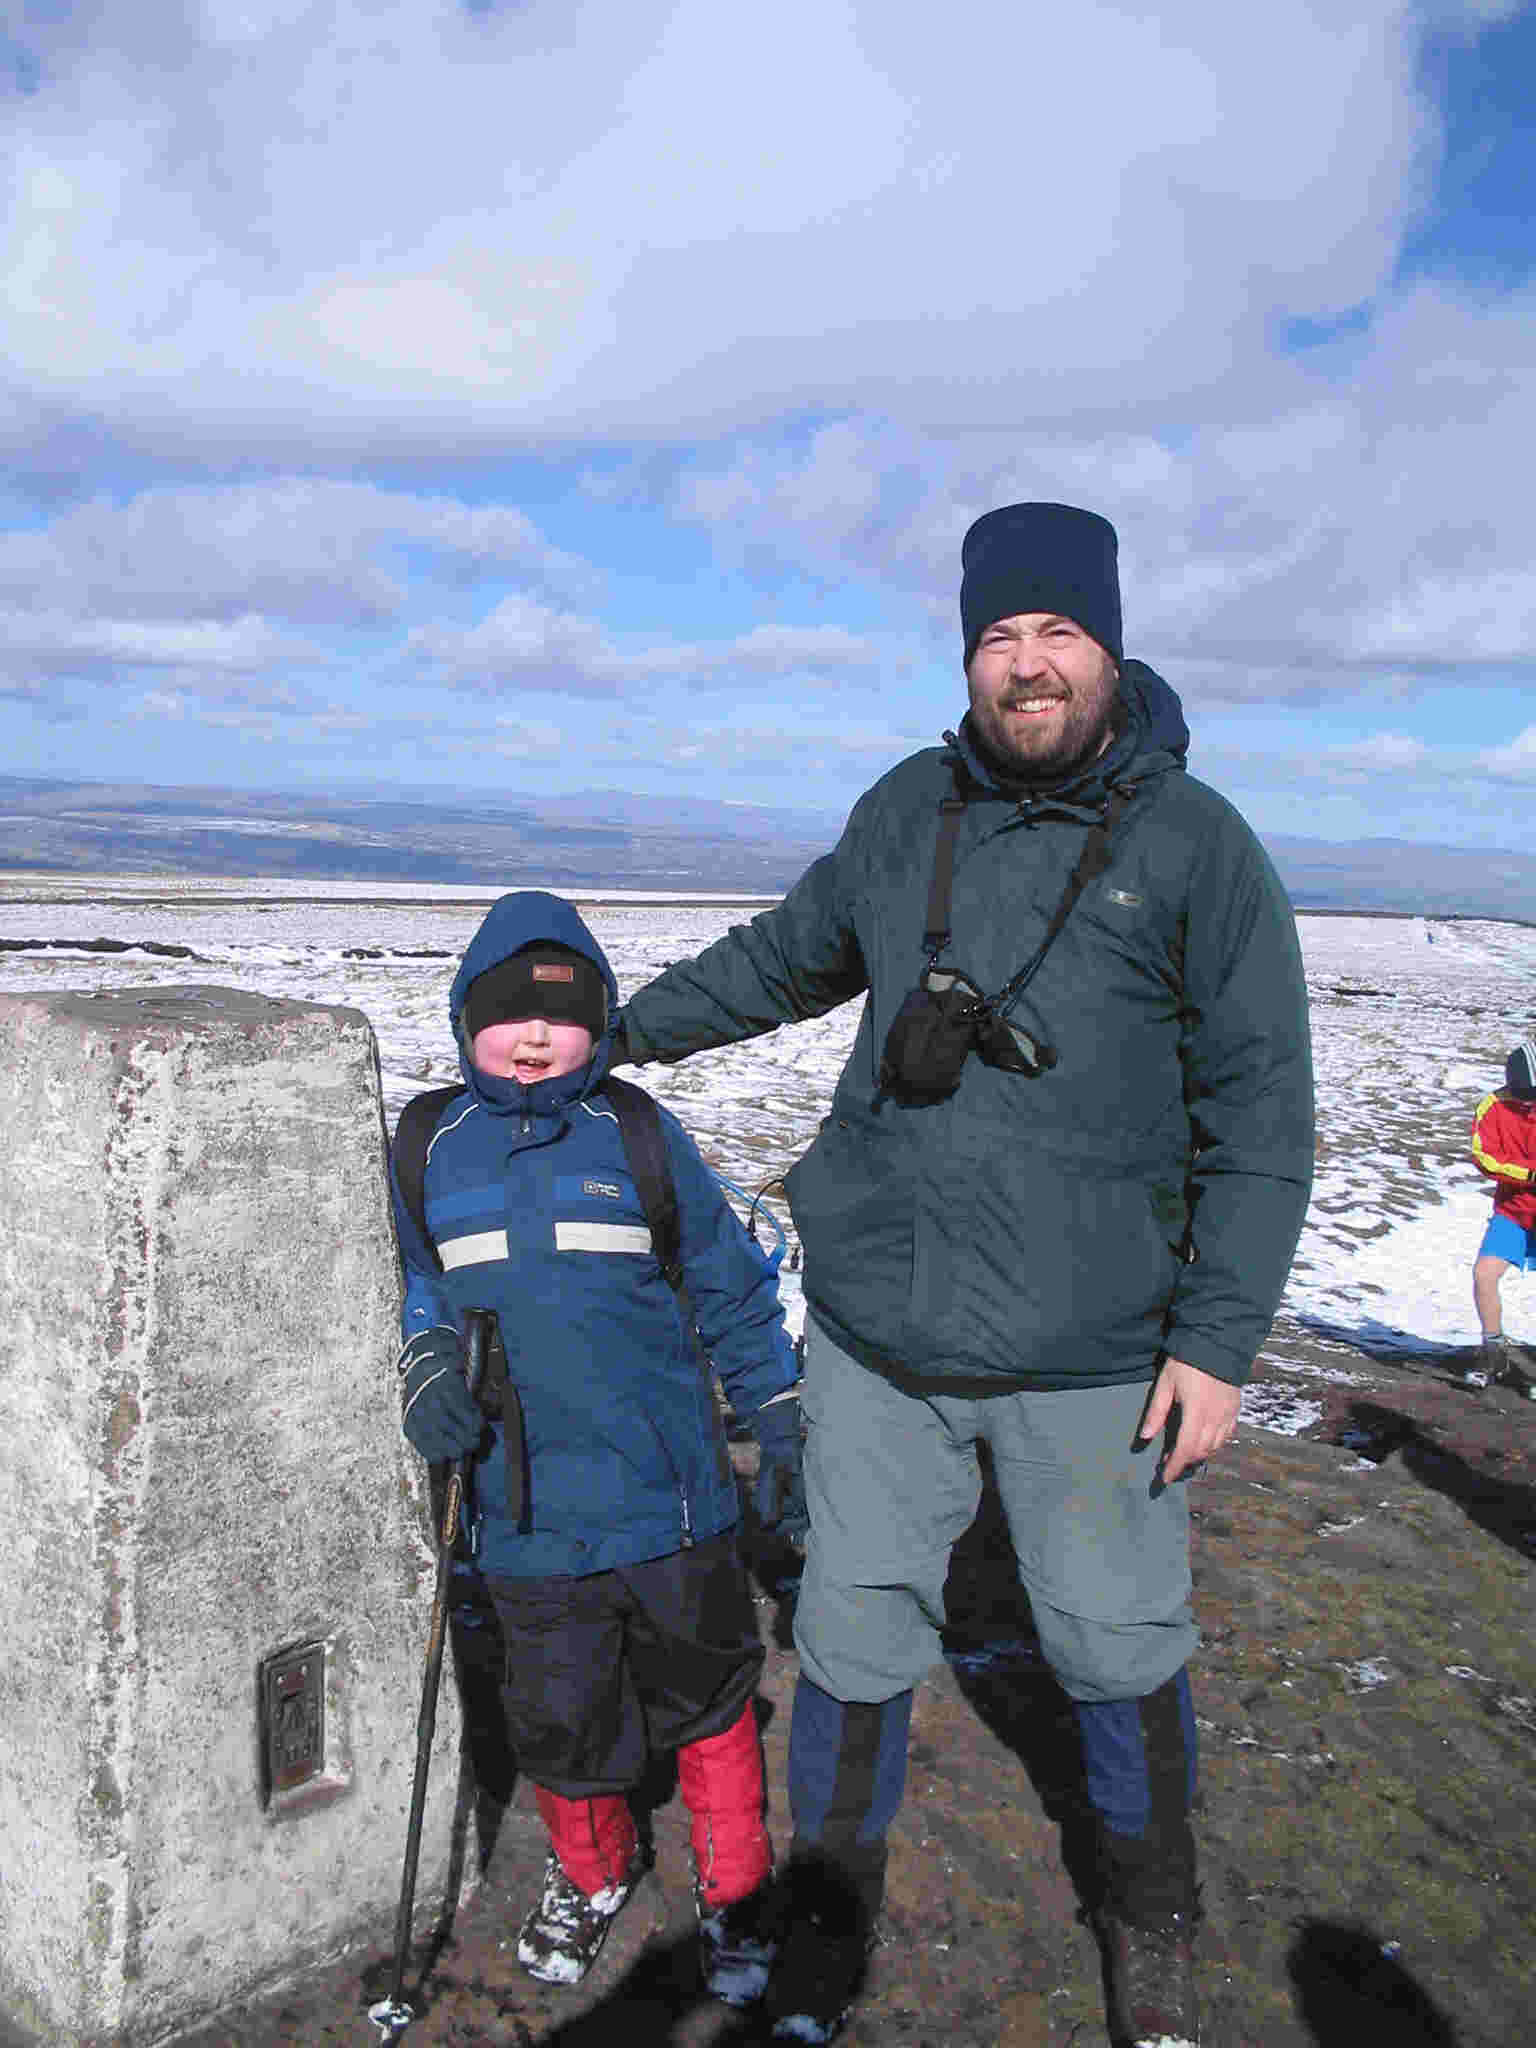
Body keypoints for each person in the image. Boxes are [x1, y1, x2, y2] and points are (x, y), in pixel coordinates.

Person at [612, 503, 1314, 2047]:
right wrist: (611, 1028)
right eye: (1000, 636)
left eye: (1057, 632)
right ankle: (826, 1928)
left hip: (1099, 1357)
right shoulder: (906, 809)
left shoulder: (1202, 849)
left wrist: (1220, 1341)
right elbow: (786, 958)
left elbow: (1264, 1115)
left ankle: (1153, 1916)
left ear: (1111, 648)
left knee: (1115, 1643)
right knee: (856, 1634)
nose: (1028, 664)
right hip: (883, 1334)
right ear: (968, 658)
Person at [390, 890, 805, 2000]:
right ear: (463, 1016)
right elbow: (416, 1283)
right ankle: (595, 1869)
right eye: (507, 1009)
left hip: (673, 1503)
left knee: (712, 1702)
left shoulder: (634, 1130)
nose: (535, 1034)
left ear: (602, 1022)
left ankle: (735, 1890)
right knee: (561, 1719)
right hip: (523, 1517)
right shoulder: (431, 1144)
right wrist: (423, 1361)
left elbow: (728, 1284)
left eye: (563, 1013)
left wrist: (780, 1415)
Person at [1470, 1041, 1536, 1396]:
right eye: (1524, 1094)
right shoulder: (1491, 1108)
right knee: (1484, 1274)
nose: (1529, 1103)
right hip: (1513, 1210)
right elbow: (1485, 1158)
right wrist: (1529, 1176)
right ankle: (1493, 1353)